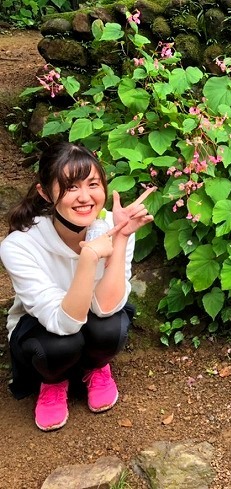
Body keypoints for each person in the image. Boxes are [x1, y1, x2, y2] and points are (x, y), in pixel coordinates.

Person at [0, 142, 154, 432]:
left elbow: (107, 307)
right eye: (70, 187)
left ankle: (95, 368)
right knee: (61, 344)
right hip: (44, 330)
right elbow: (64, 323)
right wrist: (88, 257)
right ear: (45, 193)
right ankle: (53, 381)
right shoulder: (19, 246)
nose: (85, 197)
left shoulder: (115, 223)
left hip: (94, 316)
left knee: (110, 327)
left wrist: (120, 237)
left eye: (93, 184)